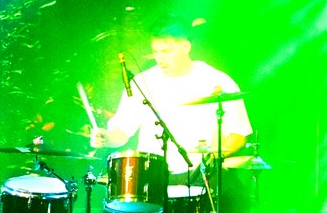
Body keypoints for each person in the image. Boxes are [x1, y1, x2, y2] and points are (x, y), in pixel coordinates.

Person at [90, 18, 253, 180]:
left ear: (186, 47)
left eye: (167, 51)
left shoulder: (218, 81)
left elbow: (239, 134)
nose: (160, 59)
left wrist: (211, 159)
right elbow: (122, 132)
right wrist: (106, 137)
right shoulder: (141, 82)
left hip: (203, 177)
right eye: (156, 51)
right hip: (152, 178)